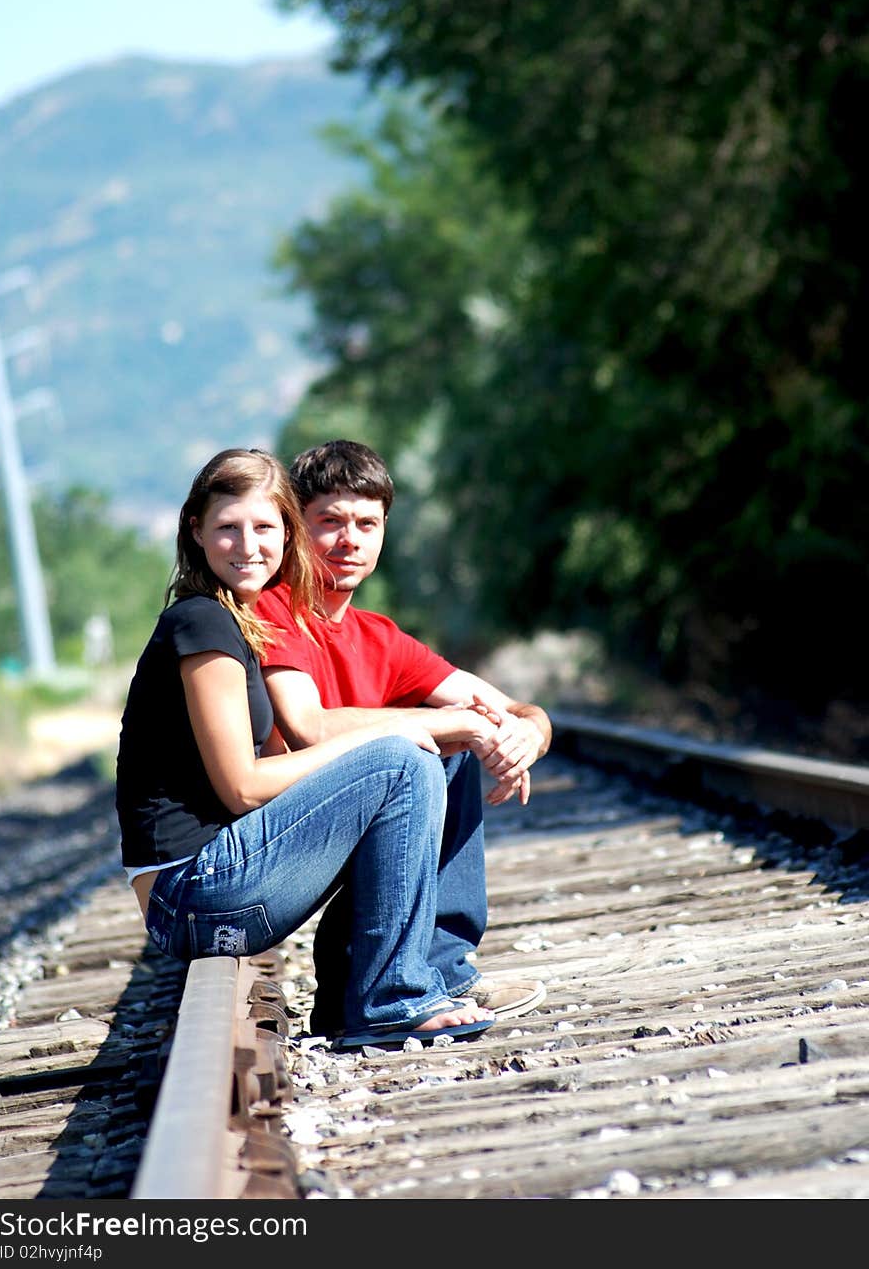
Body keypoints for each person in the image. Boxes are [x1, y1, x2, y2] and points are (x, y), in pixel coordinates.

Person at [114, 447, 497, 1050]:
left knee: (429, 755)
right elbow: (241, 788)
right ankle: (390, 999)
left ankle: (411, 981)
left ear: (286, 533)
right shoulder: (202, 623)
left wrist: (429, 734)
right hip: (189, 893)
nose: (249, 546)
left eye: (265, 528)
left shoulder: (240, 620)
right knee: (403, 757)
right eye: (228, 528)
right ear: (196, 531)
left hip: (213, 885)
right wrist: (392, 735)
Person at [254, 440, 552, 1036]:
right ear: (295, 528)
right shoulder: (274, 608)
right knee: (438, 743)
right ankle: (409, 983)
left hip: (347, 829)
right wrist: (449, 727)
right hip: (276, 840)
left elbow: (501, 705)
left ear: (384, 531)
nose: (350, 540)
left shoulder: (379, 637)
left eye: (367, 523)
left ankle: (430, 972)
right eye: (330, 522)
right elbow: (304, 726)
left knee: (454, 744)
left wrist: (527, 731)